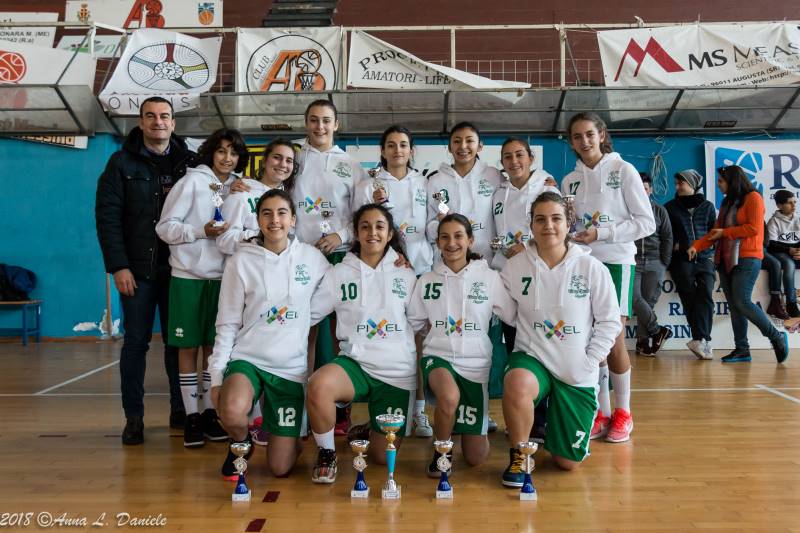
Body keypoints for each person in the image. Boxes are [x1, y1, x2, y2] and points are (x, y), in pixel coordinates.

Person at [500, 192, 621, 483]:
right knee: (517, 383)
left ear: (569, 224)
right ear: (531, 225)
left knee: (567, 463)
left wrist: (590, 361)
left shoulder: (592, 267)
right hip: (533, 357)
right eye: (540, 219)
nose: (548, 226)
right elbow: (503, 308)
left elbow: (609, 321)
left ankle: (560, 431)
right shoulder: (515, 267)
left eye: (556, 219)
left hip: (575, 369)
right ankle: (520, 456)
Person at [208, 189, 330, 479]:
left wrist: (304, 317)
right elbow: (227, 323)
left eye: (281, 213)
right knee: (231, 410)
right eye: (267, 213)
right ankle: (241, 442)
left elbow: (337, 288)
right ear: (258, 220)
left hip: (289, 369)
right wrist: (216, 377)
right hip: (248, 359)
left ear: (293, 220)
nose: (274, 220)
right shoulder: (240, 261)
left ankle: (293, 439)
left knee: (280, 468)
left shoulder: (312, 258)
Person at [95, 96, 195, 445]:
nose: (158, 122)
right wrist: (118, 266)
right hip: (136, 272)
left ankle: (181, 410)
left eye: (164, 116)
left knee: (177, 344)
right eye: (150, 116)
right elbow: (107, 218)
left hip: (181, 271)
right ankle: (134, 418)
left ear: (173, 123)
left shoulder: (190, 163)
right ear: (140, 122)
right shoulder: (120, 162)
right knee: (136, 344)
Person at [305, 204, 418, 483]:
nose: (372, 232)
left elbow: (420, 324)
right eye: (365, 226)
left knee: (381, 457)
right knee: (319, 385)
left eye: (379, 226)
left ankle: (368, 428)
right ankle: (327, 453)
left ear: (390, 234)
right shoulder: (338, 274)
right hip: (355, 363)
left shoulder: (406, 274)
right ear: (356, 233)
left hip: (396, 372)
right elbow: (309, 314)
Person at [560, 113, 655, 443]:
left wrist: (602, 233)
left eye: (589, 134)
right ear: (571, 142)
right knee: (590, 341)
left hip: (616, 262)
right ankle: (600, 412)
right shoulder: (569, 181)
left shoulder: (623, 170)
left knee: (612, 339)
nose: (584, 141)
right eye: (577, 136)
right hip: (583, 265)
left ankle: (623, 412)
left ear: (601, 135)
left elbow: (646, 223)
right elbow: (572, 226)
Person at [155, 128, 249, 447]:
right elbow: (165, 228)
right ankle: (191, 415)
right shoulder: (191, 182)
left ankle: (210, 411)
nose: (227, 158)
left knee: (212, 347)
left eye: (233, 153)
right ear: (211, 153)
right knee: (188, 348)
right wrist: (200, 231)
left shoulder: (239, 187)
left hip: (223, 279)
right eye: (222, 151)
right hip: (188, 277)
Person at [407, 213, 516, 476]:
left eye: (458, 236)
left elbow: (512, 315)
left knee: (476, 457)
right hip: (438, 357)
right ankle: (441, 452)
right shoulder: (427, 280)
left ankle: (453, 420)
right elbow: (414, 322)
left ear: (470, 240)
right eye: (444, 237)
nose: (451, 243)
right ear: (437, 242)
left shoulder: (489, 278)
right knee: (448, 396)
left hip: (476, 365)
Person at [291, 99, 367, 436]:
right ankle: (300, 404)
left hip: (340, 256)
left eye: (326, 120)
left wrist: (341, 235)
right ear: (306, 123)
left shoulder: (351, 165)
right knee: (302, 331)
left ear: (336, 125)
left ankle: (340, 409)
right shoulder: (294, 159)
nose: (319, 126)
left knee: (341, 332)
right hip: (302, 258)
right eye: (313, 120)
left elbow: (361, 215)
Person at [353, 125, 434, 438]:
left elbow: (434, 224)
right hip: (386, 269)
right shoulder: (368, 184)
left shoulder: (425, 183)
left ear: (411, 150)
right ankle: (382, 409)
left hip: (421, 268)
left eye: (403, 145)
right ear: (382, 150)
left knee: (420, 342)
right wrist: (393, 255)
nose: (397, 150)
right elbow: (361, 228)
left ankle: (419, 412)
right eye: (391, 145)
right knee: (387, 336)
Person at [492, 137, 559, 440]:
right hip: (509, 278)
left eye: (519, 155)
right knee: (515, 345)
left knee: (540, 346)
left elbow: (557, 230)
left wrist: (529, 246)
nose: (514, 161)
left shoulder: (546, 187)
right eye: (507, 157)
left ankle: (542, 420)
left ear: (531, 158)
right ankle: (521, 418)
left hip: (540, 276)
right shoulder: (499, 193)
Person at [688, 165, 789, 364]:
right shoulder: (727, 202)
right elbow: (716, 231)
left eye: (721, 181)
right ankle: (742, 349)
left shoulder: (754, 198)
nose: (718, 184)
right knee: (735, 306)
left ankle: (776, 336)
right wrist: (697, 246)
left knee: (742, 301)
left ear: (732, 181)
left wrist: (726, 233)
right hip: (725, 259)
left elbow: (753, 228)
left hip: (748, 257)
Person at [426, 122, 503, 262]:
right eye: (457, 141)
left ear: (480, 146)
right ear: (449, 147)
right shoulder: (435, 181)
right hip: (448, 260)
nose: (463, 146)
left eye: (469, 140)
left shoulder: (494, 176)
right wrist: (440, 224)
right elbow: (429, 228)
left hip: (486, 260)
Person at [664, 170, 717, 360]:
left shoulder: (708, 206)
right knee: (689, 298)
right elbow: (667, 236)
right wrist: (679, 246)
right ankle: (702, 339)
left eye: (681, 183)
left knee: (706, 296)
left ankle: (702, 339)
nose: (677, 187)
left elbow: (713, 234)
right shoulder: (670, 207)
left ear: (693, 185)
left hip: (704, 259)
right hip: (680, 260)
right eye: (676, 183)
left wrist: (707, 250)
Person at [217, 139, 298, 256]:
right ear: (264, 161)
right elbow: (224, 241)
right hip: (248, 265)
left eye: (289, 160)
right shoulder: (242, 190)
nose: (283, 164)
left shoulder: (289, 198)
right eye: (277, 157)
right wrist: (265, 235)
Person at [632, 172, 673, 356]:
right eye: (638, 188)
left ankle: (642, 342)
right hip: (633, 260)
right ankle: (657, 331)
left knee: (648, 302)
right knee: (634, 298)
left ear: (650, 190)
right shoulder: (627, 210)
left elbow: (668, 237)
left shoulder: (659, 211)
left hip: (655, 261)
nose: (642, 192)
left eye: (645, 188)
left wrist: (665, 262)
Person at [766, 189, 800, 318]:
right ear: (779, 205)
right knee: (789, 264)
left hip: (794, 251)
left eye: (794, 202)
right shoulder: (774, 221)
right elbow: (772, 245)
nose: (793, 205)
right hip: (779, 252)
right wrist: (789, 250)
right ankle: (791, 303)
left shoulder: (798, 218)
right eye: (789, 203)